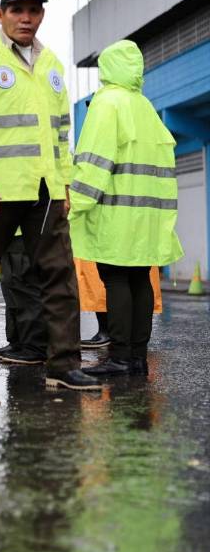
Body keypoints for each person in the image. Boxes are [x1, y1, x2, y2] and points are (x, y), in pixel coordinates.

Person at [0, 0, 99, 390]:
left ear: (42, 14)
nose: (26, 18)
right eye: (17, 10)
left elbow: (61, 131)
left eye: (33, 10)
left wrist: (64, 183)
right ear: (1, 15)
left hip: (45, 190)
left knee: (59, 275)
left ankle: (63, 365)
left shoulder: (50, 65)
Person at [69, 39, 182, 377]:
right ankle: (136, 356)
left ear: (107, 68)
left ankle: (119, 357)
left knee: (115, 277)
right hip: (148, 215)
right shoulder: (144, 105)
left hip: (117, 212)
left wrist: (75, 203)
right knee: (140, 280)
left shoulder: (107, 104)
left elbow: (94, 161)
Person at [0, 231, 48, 365]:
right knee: (10, 286)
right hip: (7, 231)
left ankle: (35, 347)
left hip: (23, 229)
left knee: (24, 287)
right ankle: (17, 343)